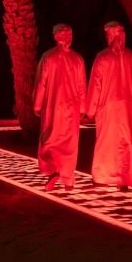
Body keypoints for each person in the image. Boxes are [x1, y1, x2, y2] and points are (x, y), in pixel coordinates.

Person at [85, 20, 132, 189]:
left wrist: (90, 110)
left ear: (110, 35)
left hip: (107, 106)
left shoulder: (102, 57)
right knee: (126, 141)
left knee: (106, 141)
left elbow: (95, 85)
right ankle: (125, 178)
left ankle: (103, 176)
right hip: (126, 108)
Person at [33, 23, 87, 191]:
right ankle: (68, 180)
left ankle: (53, 170)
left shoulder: (48, 57)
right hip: (71, 108)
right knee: (69, 143)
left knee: (50, 139)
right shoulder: (77, 59)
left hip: (53, 106)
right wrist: (83, 108)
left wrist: (37, 104)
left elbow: (41, 83)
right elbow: (81, 86)